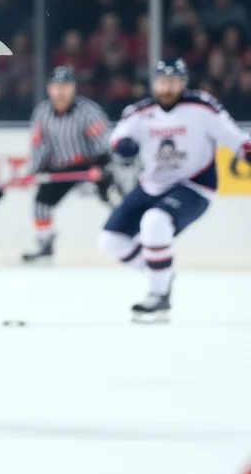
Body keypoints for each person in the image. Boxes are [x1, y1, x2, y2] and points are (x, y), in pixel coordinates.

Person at [98, 58, 251, 322]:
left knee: (155, 222)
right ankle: (161, 274)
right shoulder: (139, 112)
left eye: (173, 81)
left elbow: (235, 138)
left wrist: (246, 151)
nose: (167, 87)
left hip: (195, 184)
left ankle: (159, 296)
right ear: (154, 83)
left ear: (183, 82)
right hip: (152, 184)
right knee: (110, 241)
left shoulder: (201, 106)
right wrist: (123, 146)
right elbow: (118, 137)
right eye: (162, 81)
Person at [22, 66, 117, 263]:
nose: (60, 92)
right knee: (41, 205)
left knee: (115, 197)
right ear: (49, 89)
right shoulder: (42, 113)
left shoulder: (87, 112)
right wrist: (35, 170)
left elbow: (105, 142)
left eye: (65, 86)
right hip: (60, 168)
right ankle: (45, 246)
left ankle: (129, 236)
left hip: (89, 165)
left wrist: (101, 166)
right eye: (56, 87)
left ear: (73, 88)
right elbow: (38, 145)